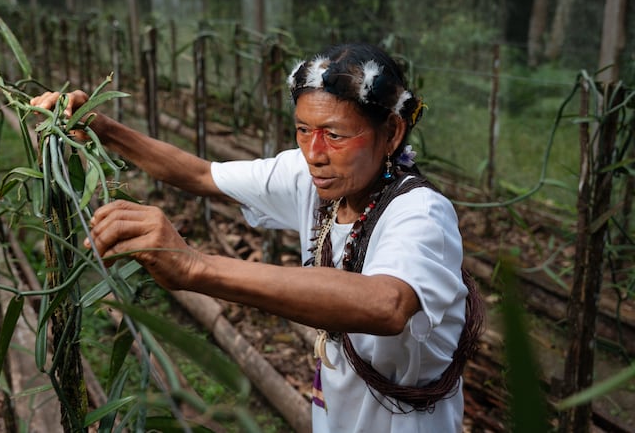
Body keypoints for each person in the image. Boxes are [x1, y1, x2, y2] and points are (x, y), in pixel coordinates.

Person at [30, 42, 482, 432]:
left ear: (392, 133)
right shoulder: (313, 178)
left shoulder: (420, 214)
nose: (314, 153)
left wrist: (195, 266)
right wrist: (102, 128)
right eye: (303, 129)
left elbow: (387, 304)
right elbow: (200, 174)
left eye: (336, 134)